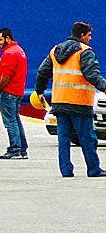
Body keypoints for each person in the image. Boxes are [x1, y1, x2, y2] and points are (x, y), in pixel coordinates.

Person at [35, 22, 106, 178]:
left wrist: (39, 91)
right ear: (82, 36)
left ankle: (66, 171)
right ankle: (94, 169)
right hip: (79, 102)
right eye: (89, 35)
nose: (90, 38)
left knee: (64, 139)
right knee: (87, 138)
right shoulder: (85, 52)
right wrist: (104, 87)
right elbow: (92, 74)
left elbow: (42, 72)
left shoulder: (55, 51)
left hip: (60, 102)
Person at [0, 28, 28, 159]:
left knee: (10, 121)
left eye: (0, 39)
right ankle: (22, 149)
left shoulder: (9, 53)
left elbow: (6, 75)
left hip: (8, 92)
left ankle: (15, 149)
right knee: (16, 119)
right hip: (18, 91)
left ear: (8, 38)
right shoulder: (20, 51)